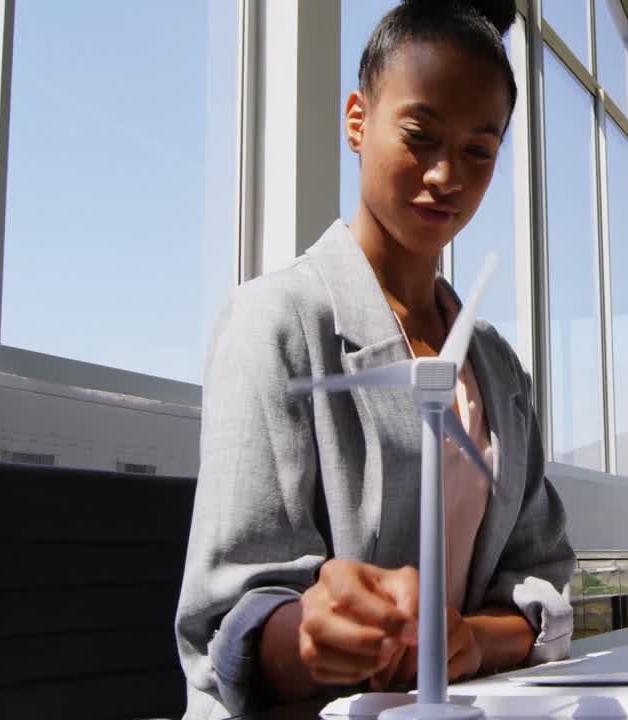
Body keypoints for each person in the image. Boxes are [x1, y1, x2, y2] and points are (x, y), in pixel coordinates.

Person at [174, 1, 575, 717]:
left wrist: (473, 642)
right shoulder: (275, 321)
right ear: (358, 120)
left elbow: (541, 578)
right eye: (420, 137)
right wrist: (306, 635)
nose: (447, 176)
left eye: (480, 151)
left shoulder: (499, 369)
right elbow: (226, 621)